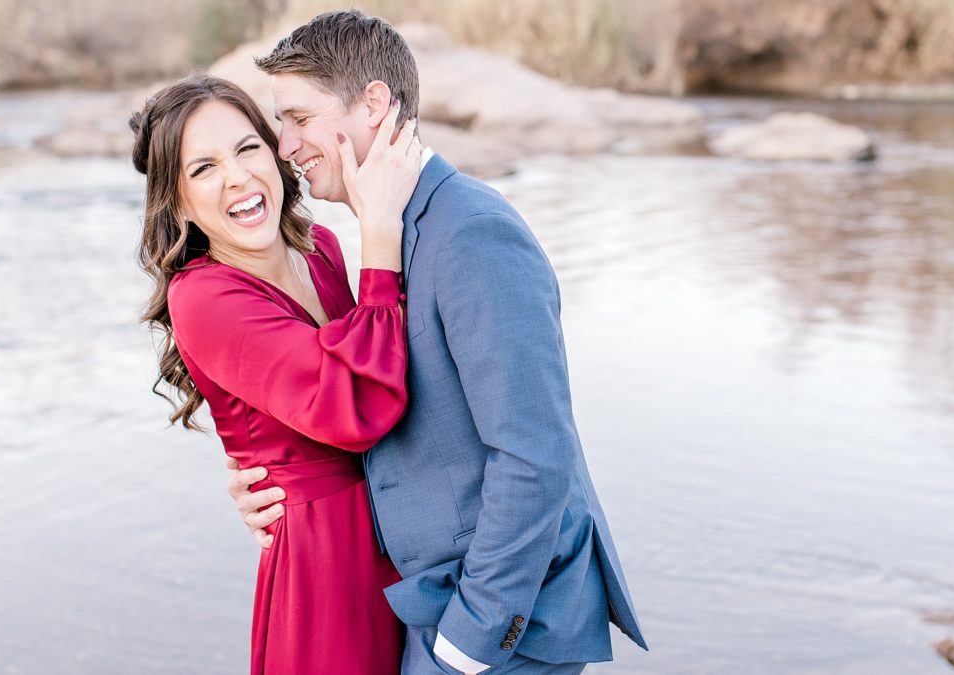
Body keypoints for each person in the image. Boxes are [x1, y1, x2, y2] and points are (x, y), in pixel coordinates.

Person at [231, 9, 648, 674]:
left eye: (299, 118)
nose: (285, 146)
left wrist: (470, 640)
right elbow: (359, 398)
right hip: (425, 601)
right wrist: (267, 480)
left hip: (502, 624)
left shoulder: (472, 233)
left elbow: (535, 454)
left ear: (373, 104)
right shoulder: (381, 237)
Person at [130, 73, 423, 674]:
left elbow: (379, 366)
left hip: (398, 531)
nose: (236, 177)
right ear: (178, 198)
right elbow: (355, 406)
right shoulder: (203, 297)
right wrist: (380, 230)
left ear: (275, 152)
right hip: (325, 566)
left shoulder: (320, 251)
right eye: (202, 168)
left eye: (246, 149)